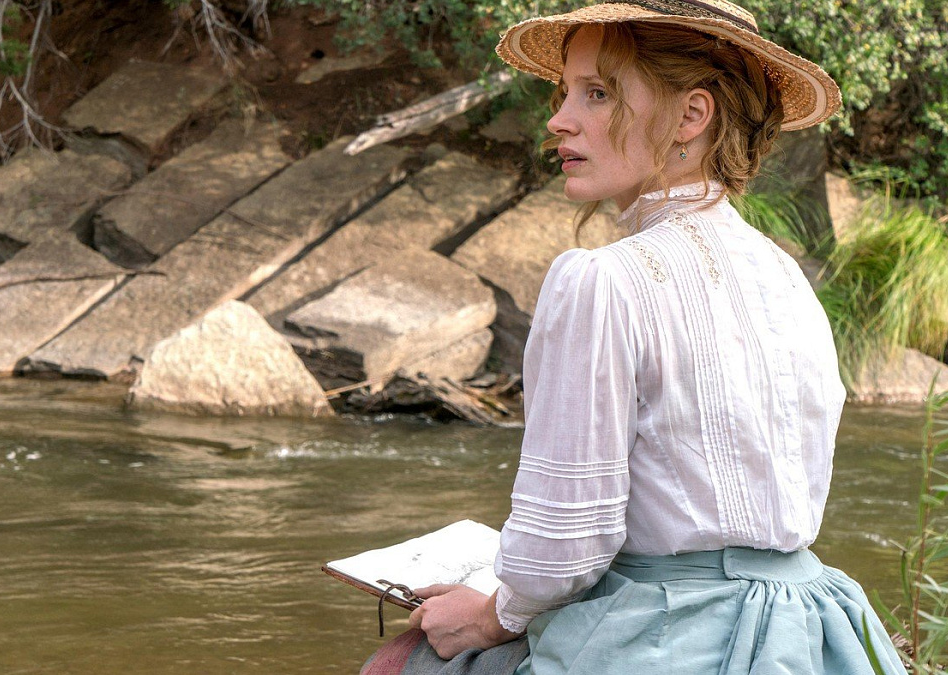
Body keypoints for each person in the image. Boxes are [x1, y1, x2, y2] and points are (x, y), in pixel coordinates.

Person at [362, 2, 909, 674]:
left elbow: (567, 545)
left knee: (402, 659)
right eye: (565, 92)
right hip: (808, 626)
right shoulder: (787, 278)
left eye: (597, 93)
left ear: (691, 116)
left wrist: (488, 613)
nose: (559, 120)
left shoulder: (604, 280)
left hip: (667, 635)